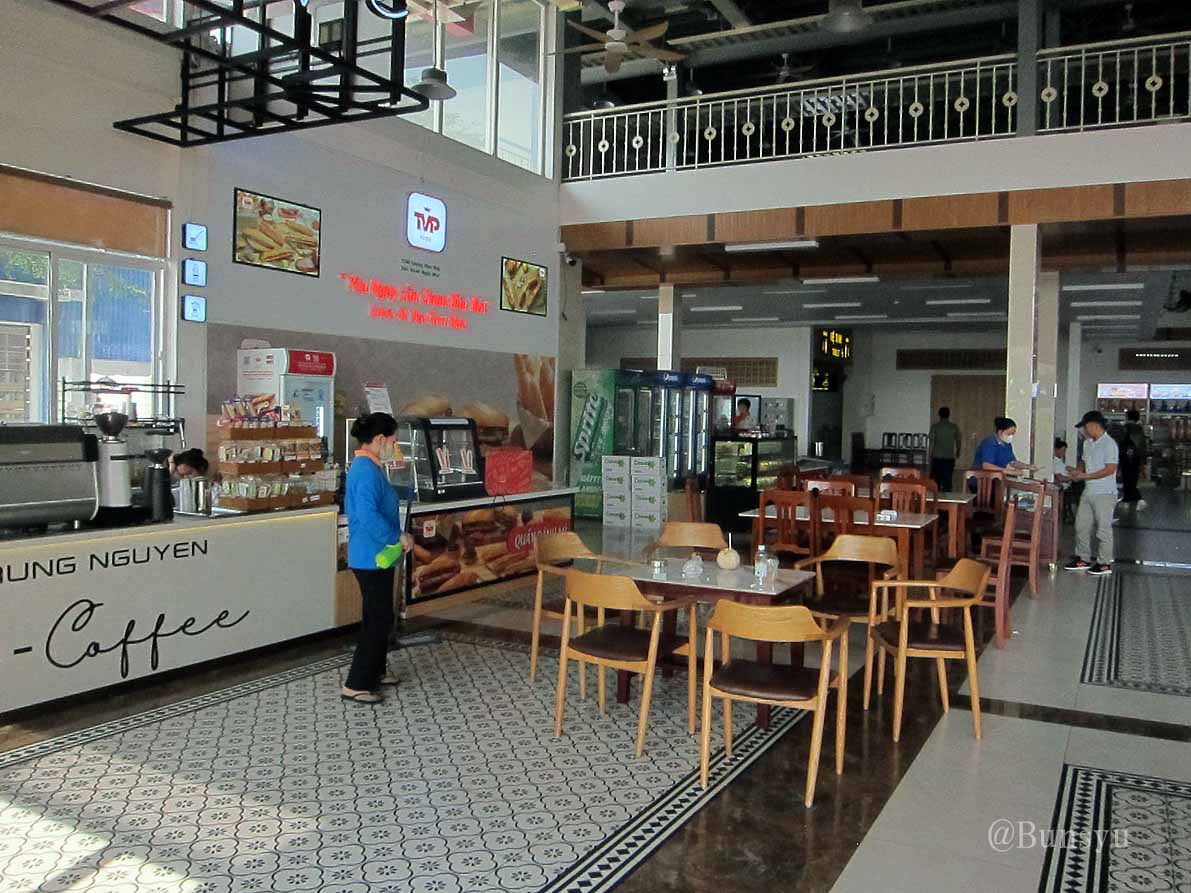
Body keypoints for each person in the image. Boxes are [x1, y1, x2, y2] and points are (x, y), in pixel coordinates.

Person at [343, 412, 411, 704]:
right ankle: (356, 683)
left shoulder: (371, 468)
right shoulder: (365, 471)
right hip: (369, 556)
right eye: (394, 441)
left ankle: (377, 671)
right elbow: (367, 515)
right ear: (380, 439)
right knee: (376, 618)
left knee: (382, 615)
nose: (395, 446)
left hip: (378, 555)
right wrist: (397, 536)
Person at [1065, 411, 1119, 576]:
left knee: (1103, 529)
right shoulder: (1088, 443)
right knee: (1081, 525)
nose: (1084, 430)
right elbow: (1084, 461)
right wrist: (1078, 471)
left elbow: (1110, 469)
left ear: (1094, 425)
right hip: (1089, 491)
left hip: (1105, 493)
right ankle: (1083, 558)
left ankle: (1104, 563)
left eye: (1085, 427)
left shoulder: (1109, 444)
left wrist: (1086, 476)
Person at [971, 416, 1037, 478]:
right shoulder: (989, 443)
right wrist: (1011, 472)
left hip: (995, 479)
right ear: (1000, 432)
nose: (1011, 437)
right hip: (981, 480)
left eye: (1013, 434)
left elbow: (1012, 462)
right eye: (1009, 434)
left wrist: (1028, 467)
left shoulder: (1007, 444)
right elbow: (987, 466)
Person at [1120, 408, 1148, 510]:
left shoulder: (1126, 428)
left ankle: (1138, 500)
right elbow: (1142, 447)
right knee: (1132, 480)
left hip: (1126, 458)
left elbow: (1121, 442)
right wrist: (1143, 463)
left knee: (1127, 480)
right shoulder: (1140, 429)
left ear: (1128, 417)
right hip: (1136, 459)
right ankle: (1127, 500)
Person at [928, 406, 960, 491]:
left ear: (939, 415)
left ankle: (936, 496)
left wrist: (930, 455)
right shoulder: (954, 427)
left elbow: (932, 443)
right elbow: (958, 441)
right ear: (949, 415)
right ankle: (947, 496)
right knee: (948, 480)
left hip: (937, 457)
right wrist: (958, 451)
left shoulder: (935, 427)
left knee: (936, 480)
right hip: (949, 457)